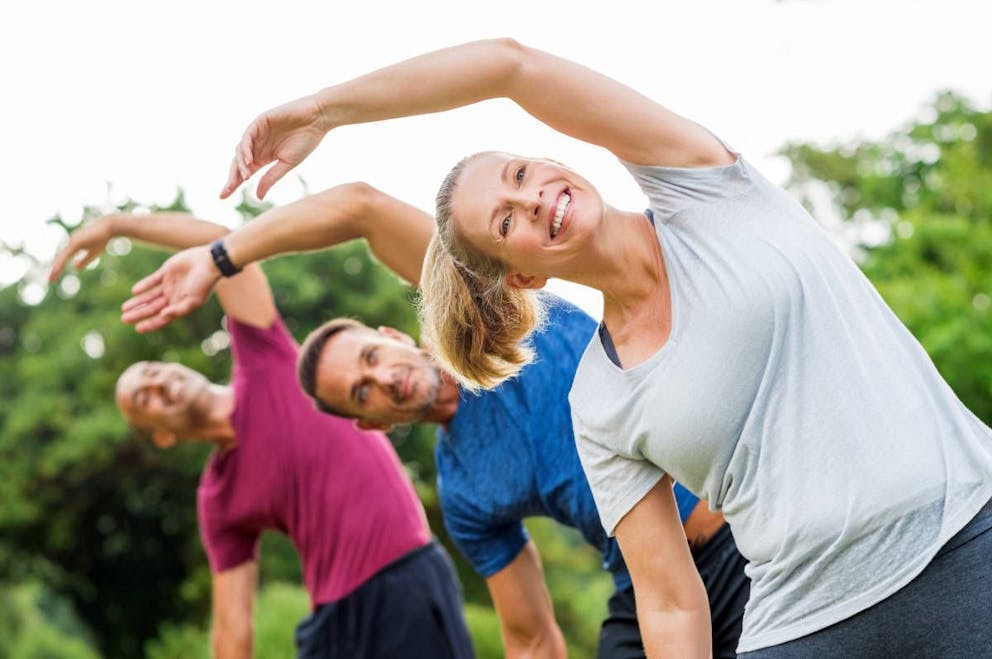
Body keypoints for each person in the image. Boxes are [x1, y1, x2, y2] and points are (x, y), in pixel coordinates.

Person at [195, 39, 992, 657]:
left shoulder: (703, 186)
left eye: (518, 172)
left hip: (961, 534)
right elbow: (666, 600)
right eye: (504, 221)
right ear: (520, 279)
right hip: (804, 614)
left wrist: (325, 111)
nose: (529, 197)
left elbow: (509, 65)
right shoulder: (595, 401)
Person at [118, 182, 750, 658]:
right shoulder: (467, 494)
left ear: (394, 334)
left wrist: (220, 256)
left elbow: (361, 208)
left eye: (371, 357)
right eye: (362, 392)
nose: (383, 378)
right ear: (371, 425)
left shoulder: (496, 317)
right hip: (646, 592)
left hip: (737, 547)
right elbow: (530, 638)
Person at [49, 210, 474, 659]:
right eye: (143, 400)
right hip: (331, 629)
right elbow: (232, 624)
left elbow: (223, 247)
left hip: (403, 582)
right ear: (161, 436)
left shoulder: (264, 358)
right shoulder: (219, 498)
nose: (157, 384)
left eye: (152, 372)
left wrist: (119, 226)